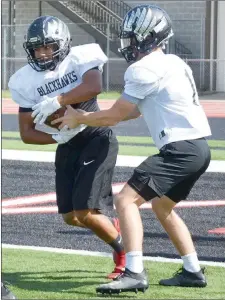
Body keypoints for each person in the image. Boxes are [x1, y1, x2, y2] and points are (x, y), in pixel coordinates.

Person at [52, 4, 212, 295]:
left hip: (179, 149)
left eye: (134, 38)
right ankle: (192, 270)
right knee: (163, 207)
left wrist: (81, 117)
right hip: (199, 148)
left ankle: (134, 272)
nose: (130, 44)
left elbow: (114, 115)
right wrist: (96, 116)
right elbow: (134, 112)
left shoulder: (144, 68)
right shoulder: (174, 62)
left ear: (149, 37)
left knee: (126, 200)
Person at [8, 15, 125, 280]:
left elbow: (93, 86)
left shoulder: (80, 58)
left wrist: (57, 100)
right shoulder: (24, 81)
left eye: (48, 46)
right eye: (37, 48)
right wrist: (56, 139)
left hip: (96, 137)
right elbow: (26, 133)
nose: (42, 53)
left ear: (62, 43)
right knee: (72, 217)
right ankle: (113, 227)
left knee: (85, 212)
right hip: (68, 145)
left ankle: (125, 256)